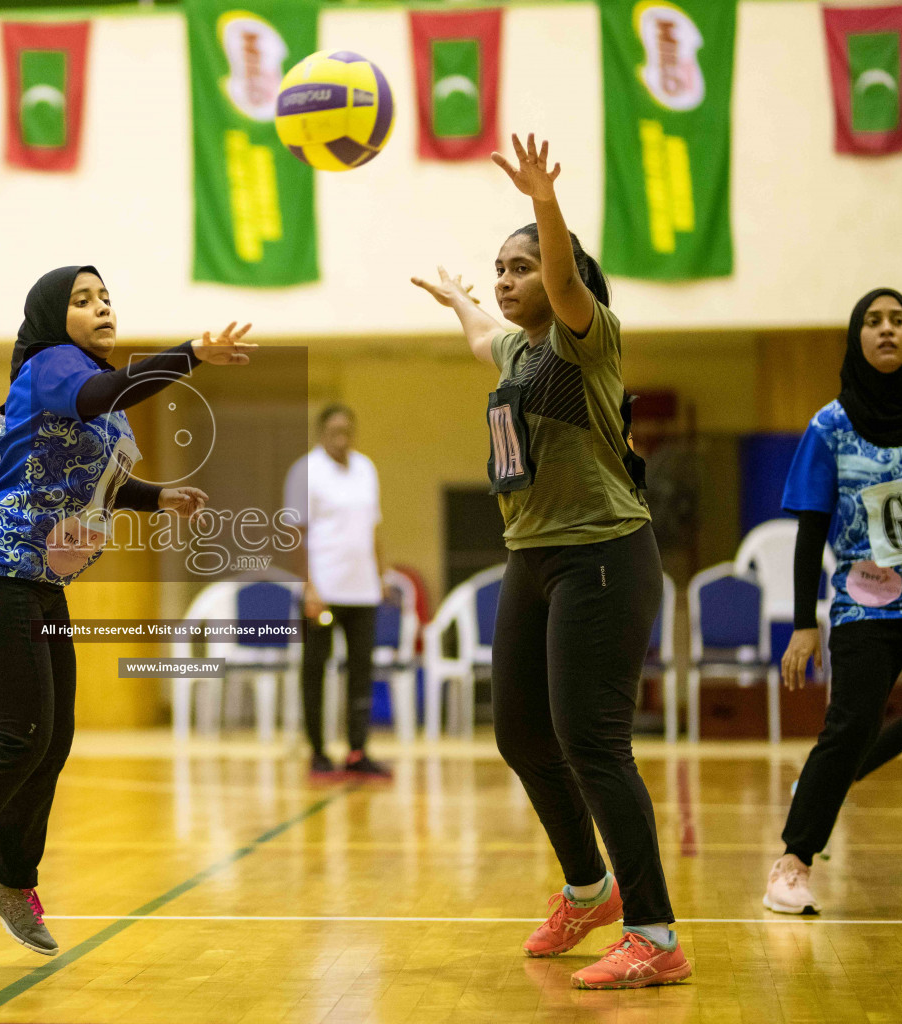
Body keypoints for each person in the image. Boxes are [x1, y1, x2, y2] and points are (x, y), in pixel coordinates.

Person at [0, 266, 254, 957]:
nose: (101, 306)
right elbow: (106, 388)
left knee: (51, 738)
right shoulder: (57, 364)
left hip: (38, 583)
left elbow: (91, 479)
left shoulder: (93, 396)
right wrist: (191, 354)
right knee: (19, 735)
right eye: (83, 300)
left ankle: (10, 880)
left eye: (106, 297)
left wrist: (154, 496)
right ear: (55, 316)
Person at [413, 133, 689, 989]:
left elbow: (565, 283)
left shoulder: (585, 339)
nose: (508, 278)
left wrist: (544, 204)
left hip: (602, 552)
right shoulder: (519, 352)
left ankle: (655, 933)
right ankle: (589, 887)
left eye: (519, 267)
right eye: (500, 267)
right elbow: (480, 339)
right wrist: (464, 300)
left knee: (594, 742)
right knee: (522, 733)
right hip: (532, 556)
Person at [769, 289, 902, 906]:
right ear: (856, 338)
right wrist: (803, 622)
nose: (889, 330)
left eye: (898, 320)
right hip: (868, 606)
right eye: (874, 321)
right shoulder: (829, 426)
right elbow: (810, 529)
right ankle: (792, 863)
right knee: (849, 728)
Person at [283, 404, 390, 777]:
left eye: (347, 429)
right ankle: (318, 751)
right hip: (322, 591)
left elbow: (373, 526)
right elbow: (295, 536)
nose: (341, 437)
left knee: (361, 672)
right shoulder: (305, 471)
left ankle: (358, 751)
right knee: (316, 670)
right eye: (334, 430)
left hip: (363, 591)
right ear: (321, 433)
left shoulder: (366, 468)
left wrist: (381, 575)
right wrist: (308, 587)